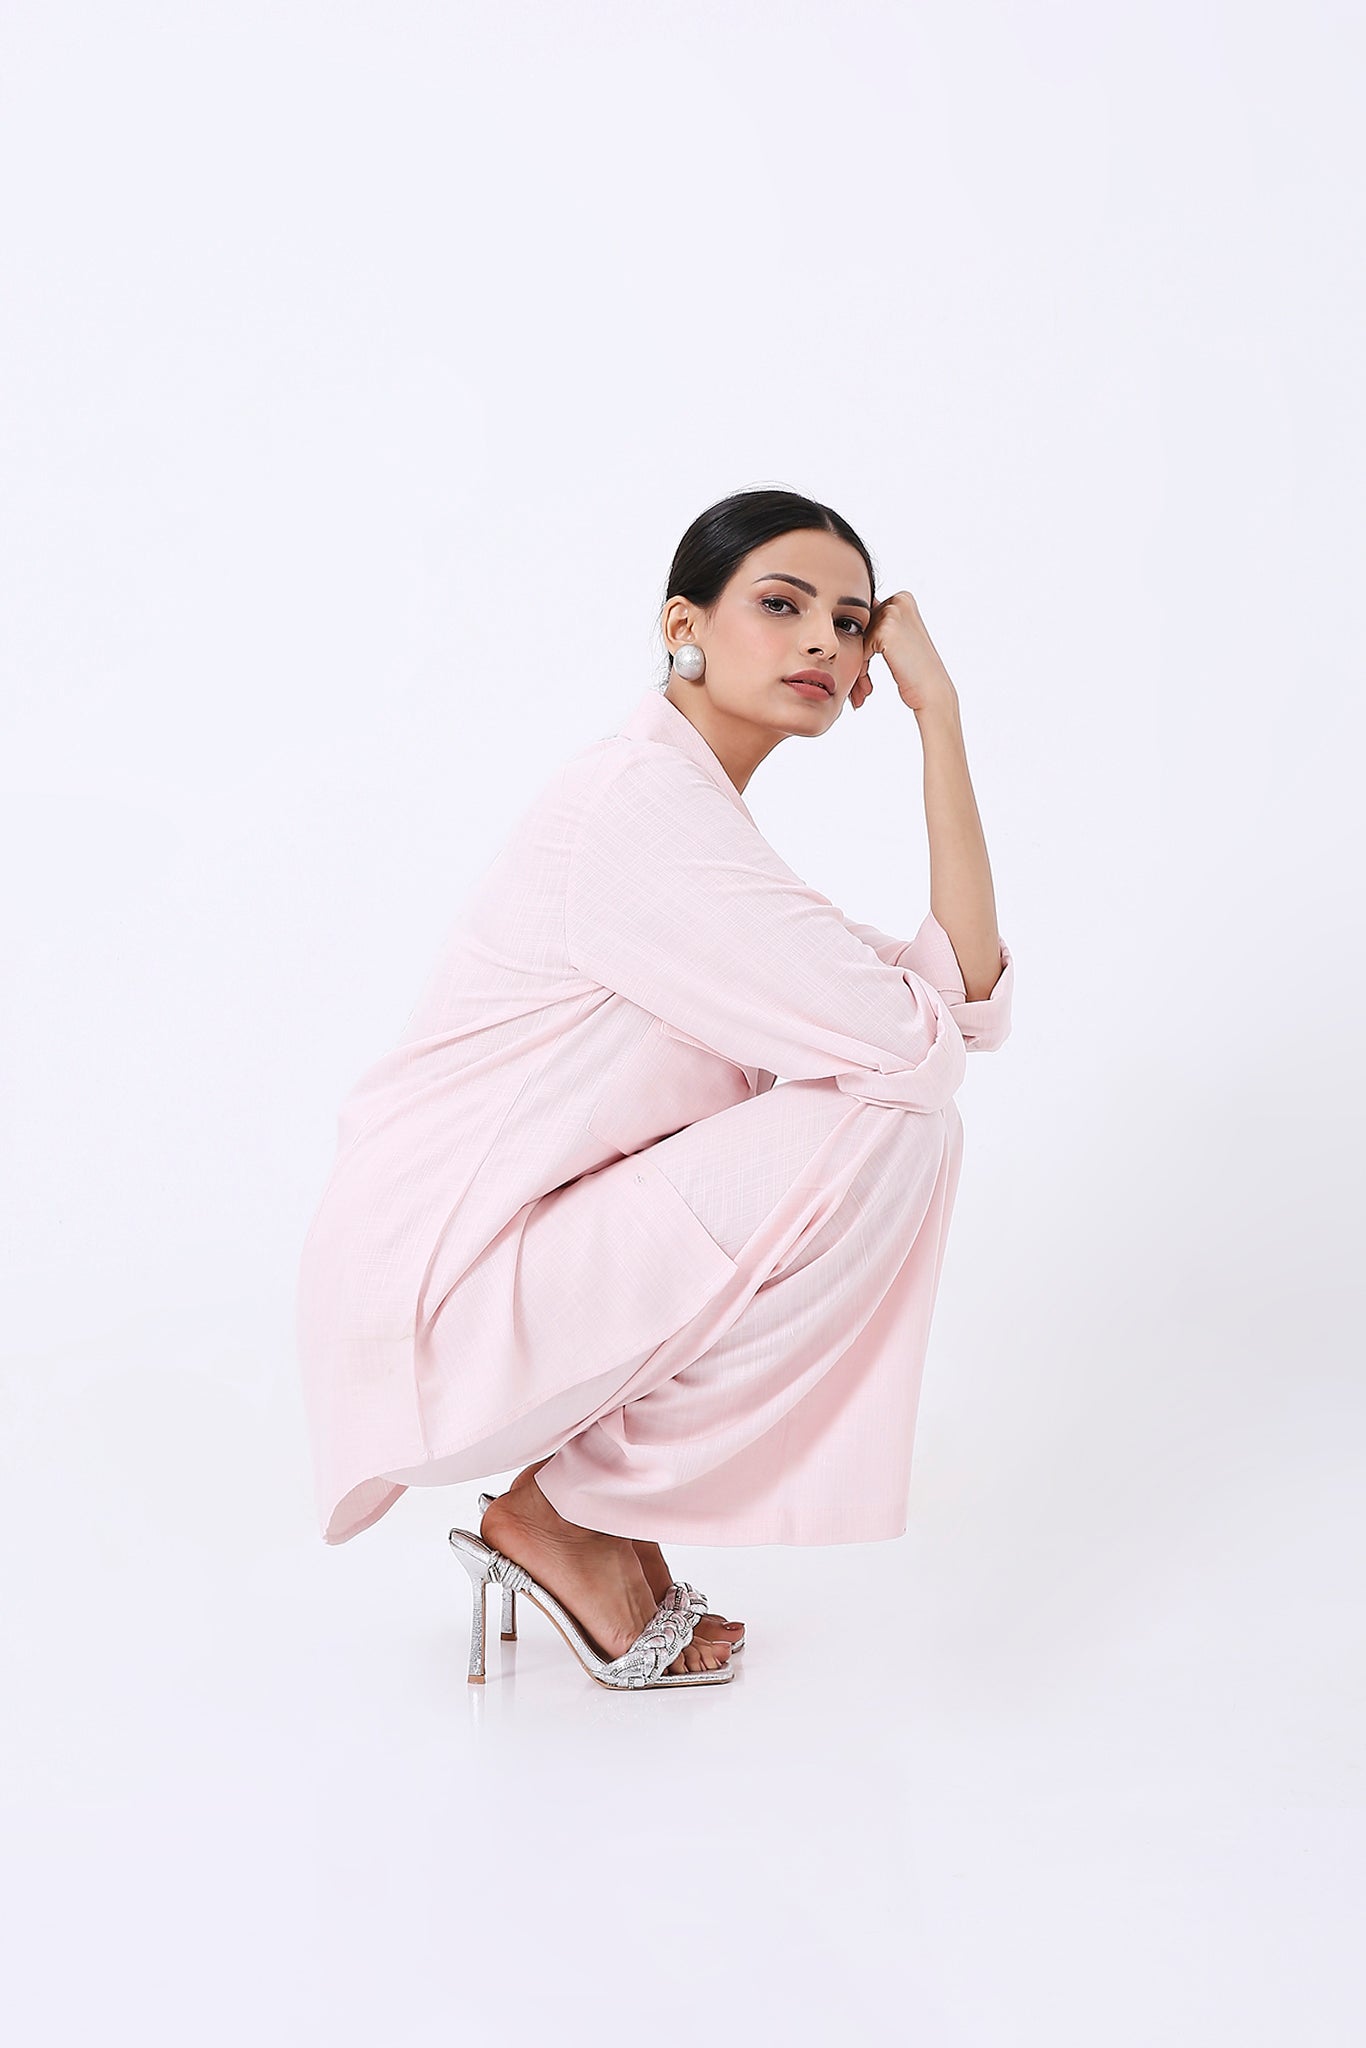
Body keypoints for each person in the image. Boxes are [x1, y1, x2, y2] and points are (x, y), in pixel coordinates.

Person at [296, 487, 1014, 1688]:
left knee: (904, 1114)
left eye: (849, 623)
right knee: (896, 1123)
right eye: (780, 604)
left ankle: (591, 1506)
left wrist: (938, 716)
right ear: (684, 624)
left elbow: (961, 999)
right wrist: (919, 1032)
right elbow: (920, 1048)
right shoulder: (637, 808)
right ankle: (566, 1513)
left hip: (505, 1256)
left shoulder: (693, 821)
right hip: (442, 1286)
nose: (822, 641)